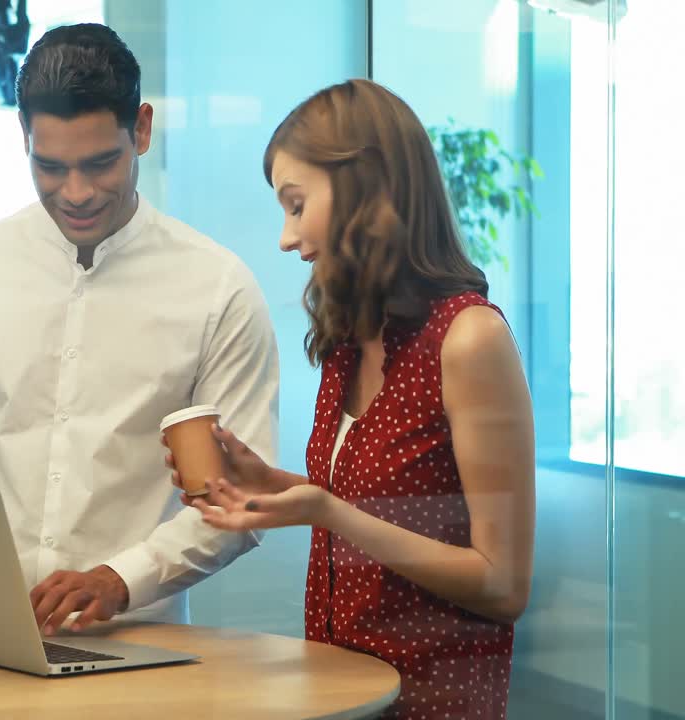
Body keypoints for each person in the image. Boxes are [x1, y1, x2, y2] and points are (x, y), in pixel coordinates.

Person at [0, 23, 279, 635]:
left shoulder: (218, 289)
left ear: (141, 130)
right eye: (50, 166)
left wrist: (123, 579)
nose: (76, 193)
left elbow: (241, 499)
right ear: (24, 138)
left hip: (144, 641)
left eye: (101, 164)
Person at [165, 79, 535, 719]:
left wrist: (326, 511)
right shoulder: (351, 340)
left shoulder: (469, 339)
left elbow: (502, 584)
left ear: (366, 188)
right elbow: (378, 508)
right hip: (344, 697)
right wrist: (274, 486)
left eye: (296, 205)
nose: (285, 237)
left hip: (433, 702)